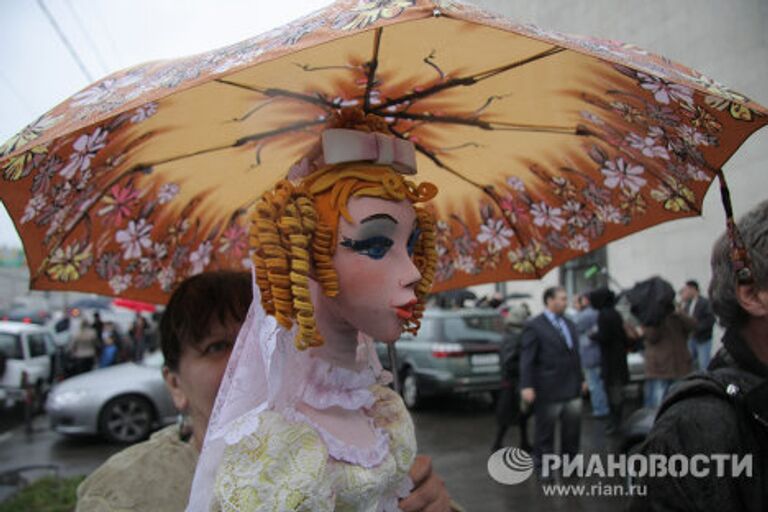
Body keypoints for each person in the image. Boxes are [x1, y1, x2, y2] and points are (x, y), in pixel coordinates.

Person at [188, 110, 448, 511]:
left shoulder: (384, 412)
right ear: (304, 252)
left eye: (411, 245)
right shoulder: (277, 446)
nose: (412, 271)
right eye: (376, 245)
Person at [76, 271, 454, 511]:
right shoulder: (125, 492)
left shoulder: (357, 455)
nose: (248, 365)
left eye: (260, 339)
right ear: (175, 384)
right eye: (218, 346)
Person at [629, 199, 768, 511]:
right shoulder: (694, 429)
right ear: (752, 294)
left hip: (678, 364)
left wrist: (675, 313)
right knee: (657, 403)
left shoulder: (676, 315)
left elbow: (692, 327)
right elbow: (649, 338)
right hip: (663, 370)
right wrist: (651, 322)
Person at [519, 286, 585, 476]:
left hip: (571, 387)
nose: (566, 302)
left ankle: (570, 466)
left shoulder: (569, 324)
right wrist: (526, 385)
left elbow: (575, 355)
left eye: (566, 298)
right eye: (562, 298)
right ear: (549, 300)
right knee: (545, 432)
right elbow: (527, 358)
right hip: (548, 388)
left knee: (572, 431)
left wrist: (581, 379)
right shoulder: (535, 325)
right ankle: (543, 467)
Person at [588, 288, 629, 434]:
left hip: (611, 360)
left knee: (613, 392)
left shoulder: (604, 315)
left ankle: (615, 423)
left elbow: (605, 336)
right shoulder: (614, 313)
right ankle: (616, 421)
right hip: (618, 358)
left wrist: (593, 335)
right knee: (615, 390)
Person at [491, 304, 531, 453]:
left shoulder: (509, 333)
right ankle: (497, 444)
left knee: (520, 415)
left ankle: (524, 442)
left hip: (510, 381)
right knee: (512, 415)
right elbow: (510, 361)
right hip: (513, 381)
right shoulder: (516, 336)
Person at [573, 293, 609, 419]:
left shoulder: (586, 315)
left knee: (594, 384)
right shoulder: (595, 313)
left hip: (590, 356)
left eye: (576, 302)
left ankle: (600, 409)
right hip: (595, 354)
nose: (574, 305)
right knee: (598, 383)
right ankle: (602, 407)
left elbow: (574, 326)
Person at [679, 279, 716, 370]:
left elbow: (710, 320)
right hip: (691, 339)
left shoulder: (705, 303)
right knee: (688, 363)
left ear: (693, 289)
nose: (685, 291)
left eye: (687, 289)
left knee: (704, 364)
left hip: (703, 339)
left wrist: (696, 328)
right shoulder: (687, 304)